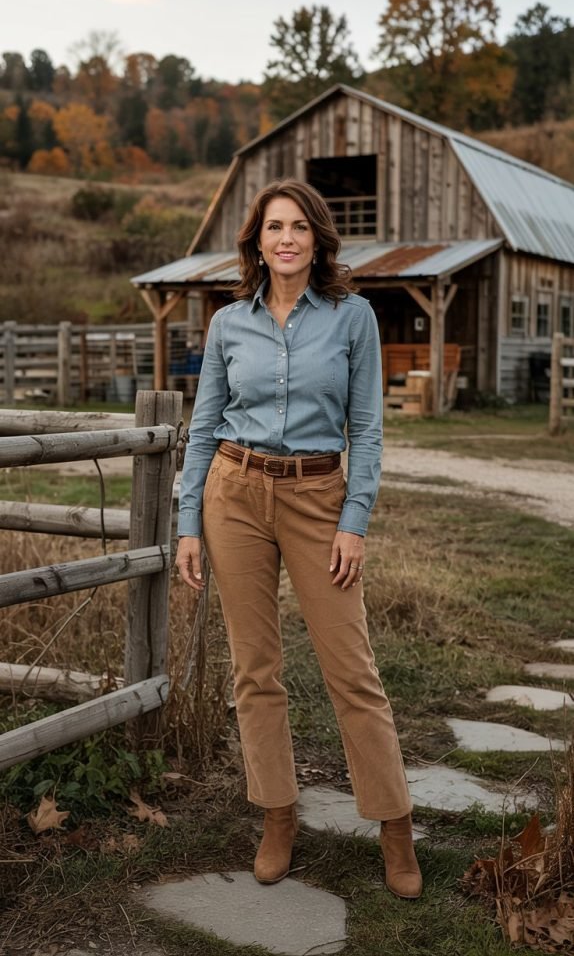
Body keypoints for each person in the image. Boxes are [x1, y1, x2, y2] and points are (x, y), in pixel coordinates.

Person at [175, 178, 422, 900]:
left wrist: (355, 521)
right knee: (255, 669)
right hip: (235, 493)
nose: (285, 238)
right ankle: (278, 817)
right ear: (256, 241)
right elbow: (204, 428)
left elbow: (368, 429)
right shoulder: (228, 325)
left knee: (352, 669)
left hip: (319, 497)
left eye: (299, 228)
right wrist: (189, 522)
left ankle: (394, 823)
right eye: (272, 227)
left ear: (317, 241)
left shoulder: (353, 319)